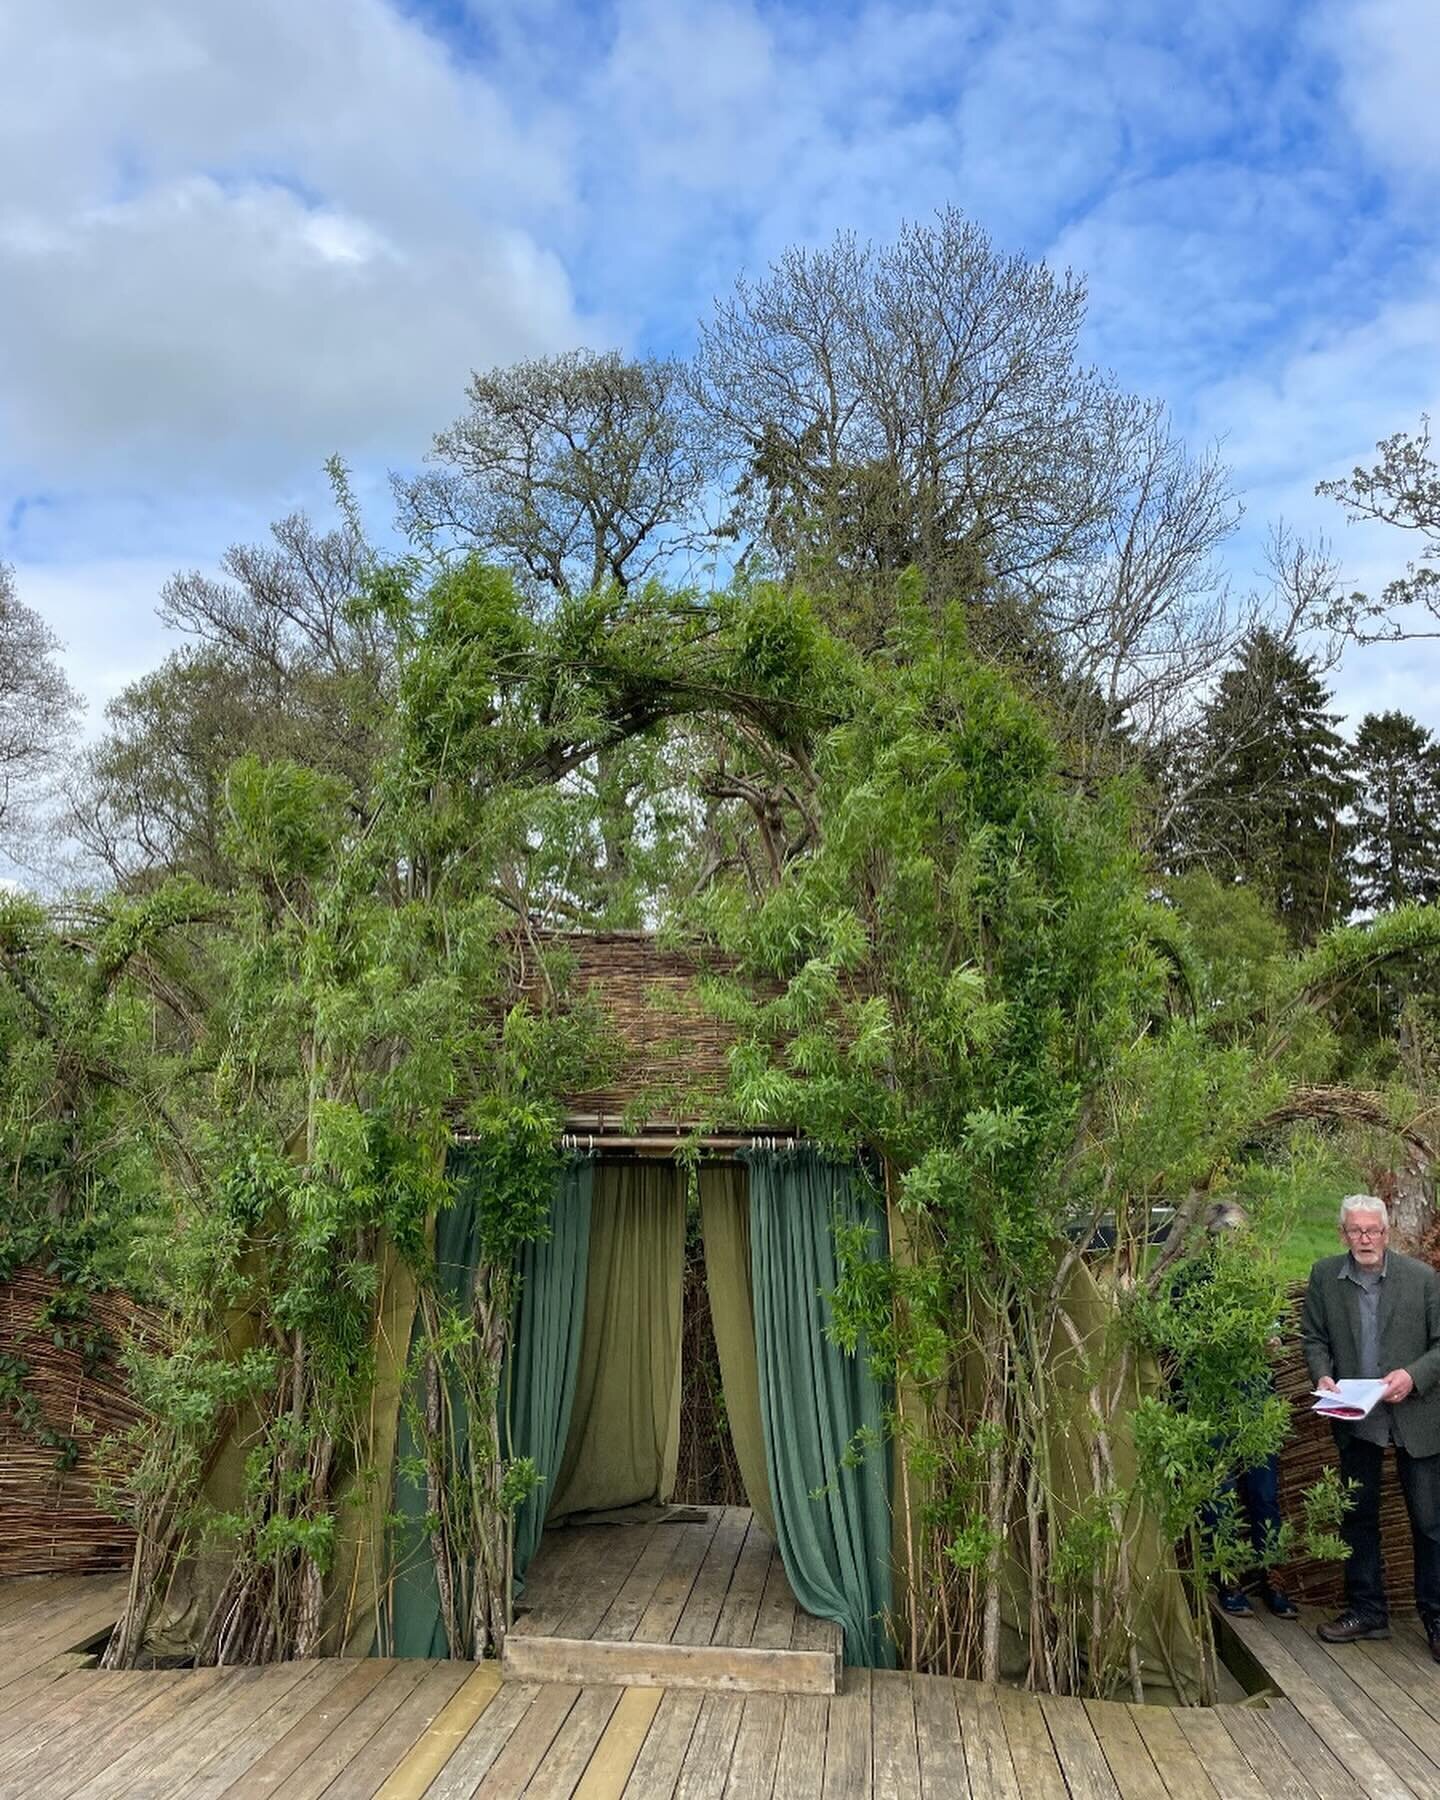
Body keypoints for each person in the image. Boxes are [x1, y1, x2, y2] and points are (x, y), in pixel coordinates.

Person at [1300, 1193, 1440, 1656]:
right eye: (1356, 1231)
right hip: (1356, 1417)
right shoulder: (1324, 1276)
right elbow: (1315, 1337)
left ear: (1387, 1233)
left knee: (1429, 1523)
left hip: (1415, 1417)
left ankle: (1437, 1620)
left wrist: (1412, 1376)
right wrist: (1321, 1374)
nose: (1366, 1239)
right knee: (1357, 1517)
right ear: (1343, 1234)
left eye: (1373, 1230)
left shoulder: (1421, 1279)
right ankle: (1367, 1611)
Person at [1189, 1201, 1298, 1619]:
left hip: (1254, 1400)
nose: (1233, 1246)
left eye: (1239, 1238)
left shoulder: (1260, 1283)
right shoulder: (1193, 1282)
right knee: (1218, 1496)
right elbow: (1186, 1344)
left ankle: (1273, 1576)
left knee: (1265, 1493)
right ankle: (1228, 1577)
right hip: (1211, 1399)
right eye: (1224, 1239)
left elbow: (1275, 1338)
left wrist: (1267, 1343)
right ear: (1211, 1241)